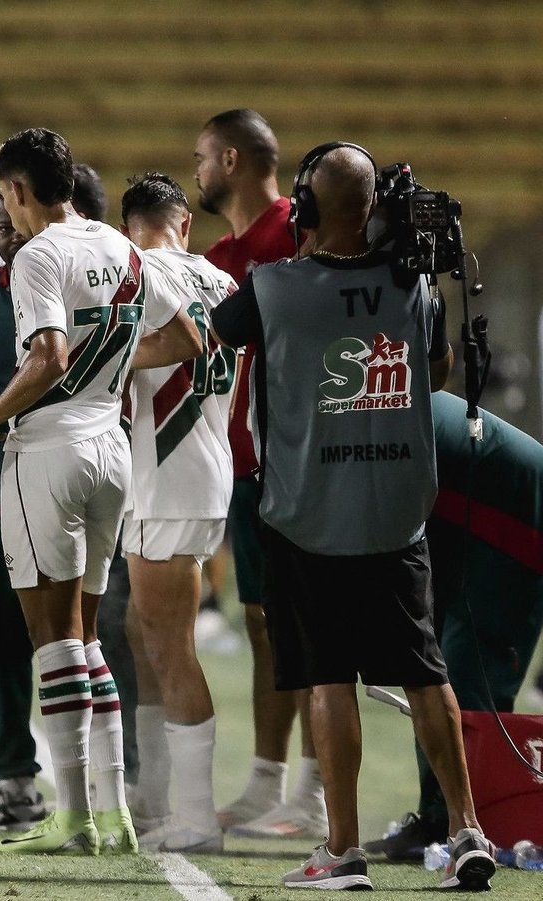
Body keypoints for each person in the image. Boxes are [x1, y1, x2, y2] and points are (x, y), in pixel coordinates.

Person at [209, 142, 494, 890]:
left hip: (307, 514)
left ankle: (342, 849)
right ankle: (467, 828)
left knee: (329, 678)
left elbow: (221, 329)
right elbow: (432, 372)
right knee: (425, 673)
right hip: (395, 513)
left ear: (304, 207)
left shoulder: (270, 286)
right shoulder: (416, 291)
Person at [0, 128, 200, 854]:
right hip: (112, 447)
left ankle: (70, 816)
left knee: (54, 637)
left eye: (6, 193)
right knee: (88, 635)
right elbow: (188, 336)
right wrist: (117, 369)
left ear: (21, 190)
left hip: (51, 448)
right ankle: (114, 809)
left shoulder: (39, 254)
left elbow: (47, 355)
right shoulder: (120, 246)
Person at [194, 108, 324, 839]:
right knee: (261, 623)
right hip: (243, 463)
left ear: (234, 160)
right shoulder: (219, 255)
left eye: (203, 157)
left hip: (295, 460)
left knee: (301, 625)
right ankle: (269, 781)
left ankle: (314, 792)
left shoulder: (296, 232)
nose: (197, 170)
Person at [367, 392, 543, 860]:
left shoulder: (373, 416)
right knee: (429, 666)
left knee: (468, 673)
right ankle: (438, 817)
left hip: (513, 517)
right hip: (462, 517)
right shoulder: (371, 407)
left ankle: (477, 823)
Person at [116, 173, 237, 852]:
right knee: (145, 629)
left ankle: (195, 814)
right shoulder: (222, 283)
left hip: (163, 477)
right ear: (184, 223)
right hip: (203, 464)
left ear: (130, 225)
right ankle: (158, 792)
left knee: (170, 644)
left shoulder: (133, 276)